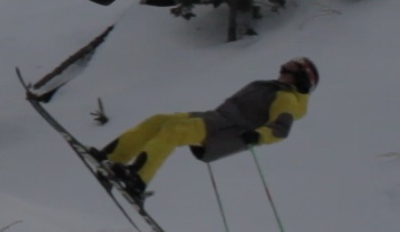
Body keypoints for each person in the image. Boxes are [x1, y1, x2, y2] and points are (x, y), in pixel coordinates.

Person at [92, 58, 318, 199]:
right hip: (215, 119)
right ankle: (113, 158)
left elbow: (280, 129)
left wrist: (258, 136)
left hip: (227, 131)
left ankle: (138, 179)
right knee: (159, 121)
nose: (283, 68)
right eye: (285, 65)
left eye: (291, 68)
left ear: (301, 79)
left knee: (174, 132)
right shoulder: (266, 86)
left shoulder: (286, 98)